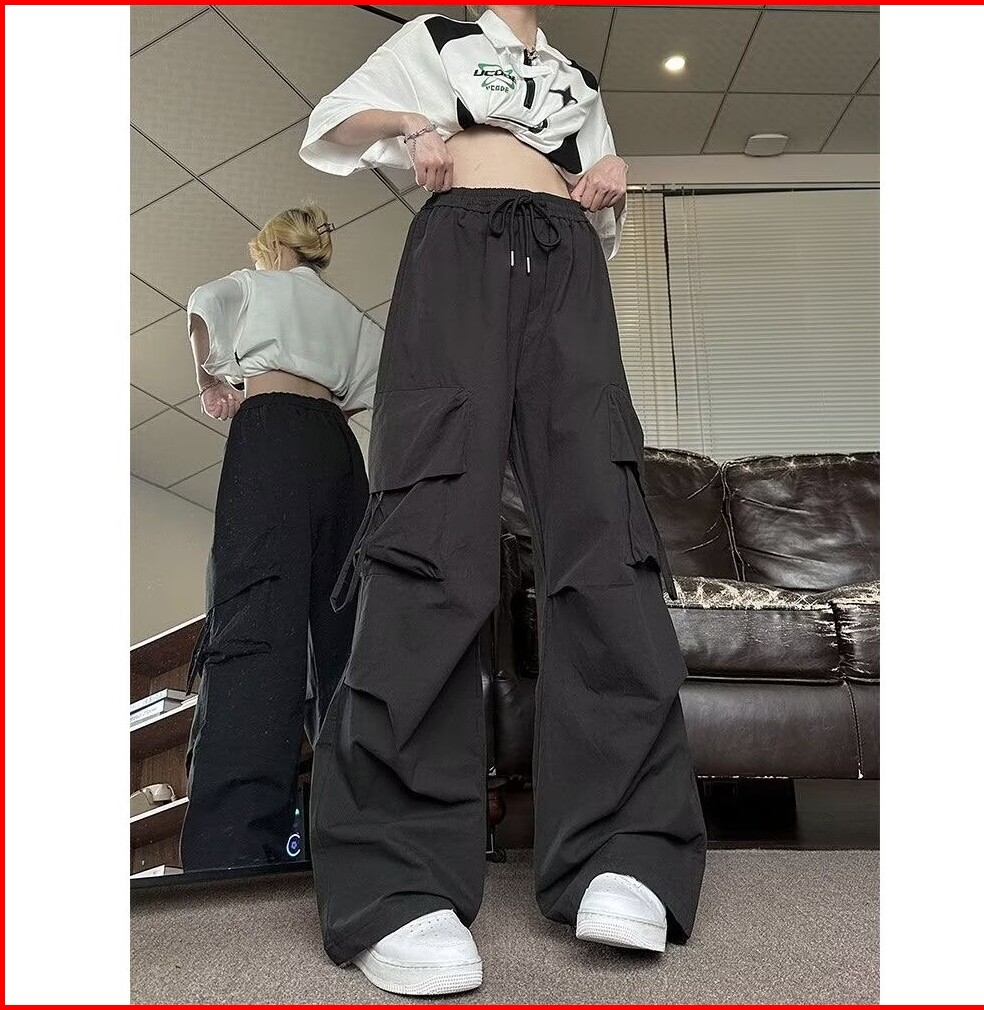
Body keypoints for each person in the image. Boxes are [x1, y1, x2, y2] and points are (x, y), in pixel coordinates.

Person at [300, 6, 707, 995]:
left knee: (605, 529)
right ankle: (397, 878)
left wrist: (607, 180)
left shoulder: (575, 79)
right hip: (458, 249)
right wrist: (411, 124)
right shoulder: (439, 38)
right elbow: (333, 121)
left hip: (567, 261)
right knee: (429, 529)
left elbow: (597, 203)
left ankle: (626, 848)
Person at [180, 204, 382, 871]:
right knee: (346, 636)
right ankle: (355, 840)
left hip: (270, 434)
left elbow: (201, 307)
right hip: (338, 450)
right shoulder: (347, 312)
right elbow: (380, 380)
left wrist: (212, 381)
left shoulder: (253, 283)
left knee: (255, 623)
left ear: (271, 247)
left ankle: (234, 851)